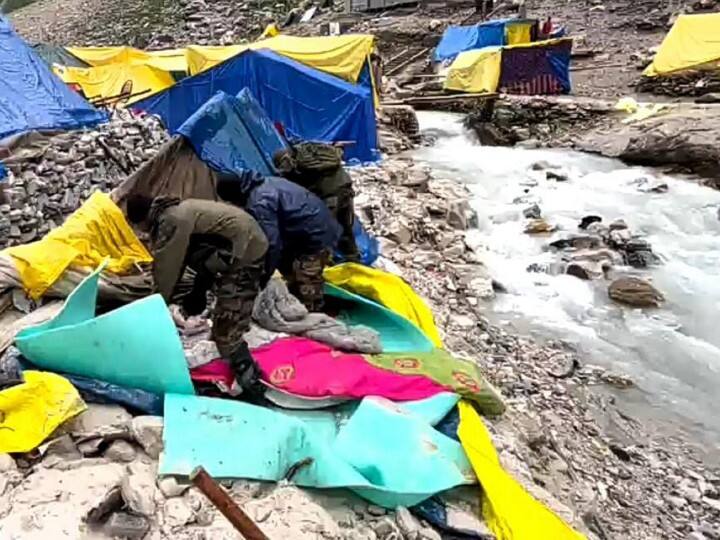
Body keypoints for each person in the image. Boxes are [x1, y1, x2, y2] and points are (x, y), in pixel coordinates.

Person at [126, 195, 268, 394]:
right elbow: (193, 253)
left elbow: (167, 266)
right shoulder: (175, 211)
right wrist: (199, 289)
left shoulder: (172, 220)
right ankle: (226, 363)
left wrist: (155, 305)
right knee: (227, 314)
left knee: (226, 327)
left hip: (244, 251)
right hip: (240, 246)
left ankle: (253, 384)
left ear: (141, 220)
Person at [215, 170, 342, 312]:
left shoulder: (260, 201)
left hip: (315, 236)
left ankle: (312, 311)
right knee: (294, 274)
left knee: (307, 278)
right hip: (310, 226)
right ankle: (298, 300)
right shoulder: (264, 182)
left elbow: (272, 243)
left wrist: (264, 276)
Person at [273, 142, 360, 263]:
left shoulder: (300, 166)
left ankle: (325, 264)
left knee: (325, 230)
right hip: (345, 186)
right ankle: (353, 258)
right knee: (345, 225)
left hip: (331, 195)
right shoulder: (313, 153)